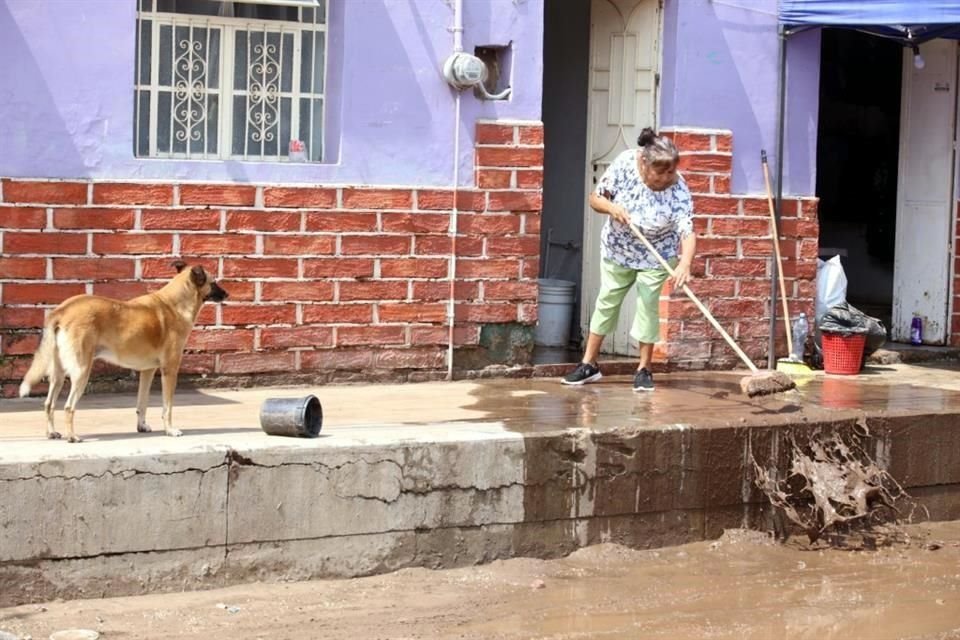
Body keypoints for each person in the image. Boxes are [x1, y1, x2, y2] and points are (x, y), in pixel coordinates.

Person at [561, 127, 697, 391]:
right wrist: (612, 208)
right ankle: (589, 364)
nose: (668, 178)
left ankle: (644, 369)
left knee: (647, 305)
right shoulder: (625, 163)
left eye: (672, 171)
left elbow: (687, 231)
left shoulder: (679, 189)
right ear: (644, 164)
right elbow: (595, 199)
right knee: (607, 301)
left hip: (656, 254)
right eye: (662, 172)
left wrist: (684, 264)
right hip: (618, 249)